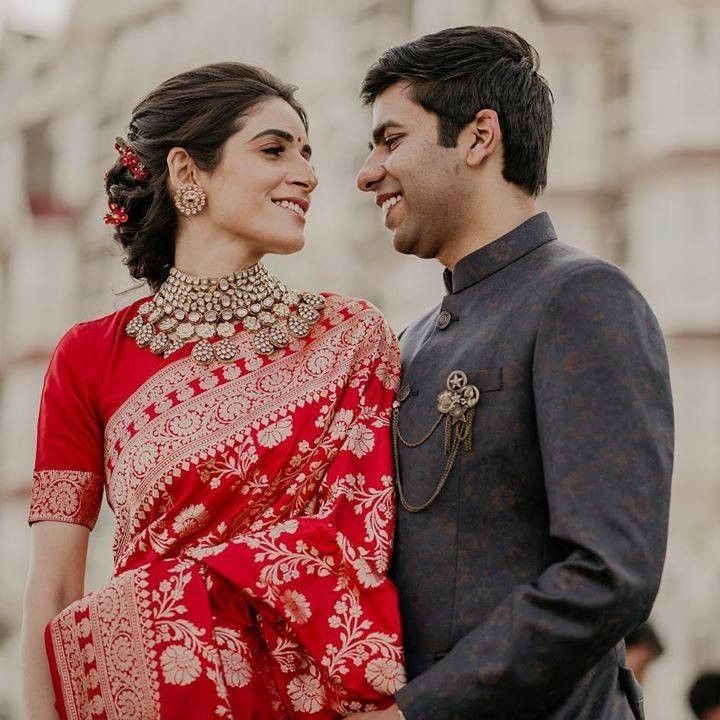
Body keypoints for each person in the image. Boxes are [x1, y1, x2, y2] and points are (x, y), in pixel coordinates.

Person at [21, 62, 405, 720]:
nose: (307, 174)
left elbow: (363, 546)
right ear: (186, 174)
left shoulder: (349, 340)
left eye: (308, 153)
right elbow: (54, 588)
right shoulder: (89, 357)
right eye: (275, 149)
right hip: (151, 696)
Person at [352, 26, 673, 720]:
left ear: (478, 137)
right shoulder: (407, 341)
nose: (367, 171)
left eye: (390, 139)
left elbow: (608, 574)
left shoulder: (581, 297)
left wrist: (420, 711)